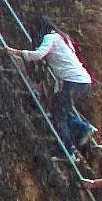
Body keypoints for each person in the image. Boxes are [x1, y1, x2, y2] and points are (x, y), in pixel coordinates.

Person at [10, 17, 96, 155]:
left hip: (72, 81)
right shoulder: (63, 38)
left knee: (58, 116)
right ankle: (82, 128)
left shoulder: (50, 37)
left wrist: (17, 52)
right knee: (59, 110)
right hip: (83, 81)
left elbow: (38, 55)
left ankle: (67, 151)